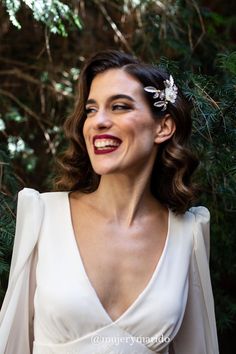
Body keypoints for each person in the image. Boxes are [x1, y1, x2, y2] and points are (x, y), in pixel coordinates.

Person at [0, 50, 219, 354]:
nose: (98, 122)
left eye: (119, 106)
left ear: (163, 127)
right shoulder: (44, 216)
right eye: (91, 110)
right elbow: (12, 343)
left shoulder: (188, 233)